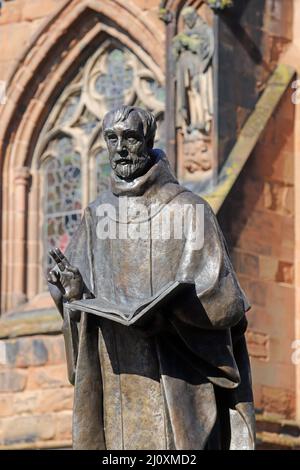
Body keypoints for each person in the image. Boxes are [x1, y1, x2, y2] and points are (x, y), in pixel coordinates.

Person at [48, 105, 255, 450]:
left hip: (176, 376)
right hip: (118, 378)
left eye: (130, 137)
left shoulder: (189, 210)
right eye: (111, 139)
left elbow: (224, 300)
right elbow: (78, 302)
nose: (121, 148)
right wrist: (72, 292)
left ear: (148, 140)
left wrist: (170, 313)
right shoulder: (97, 214)